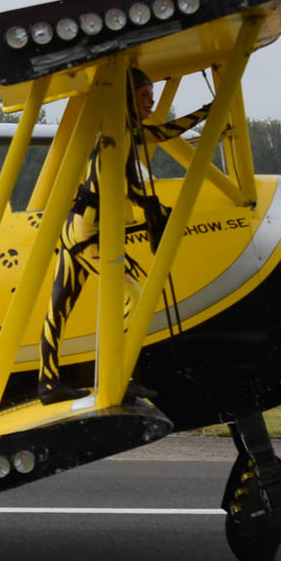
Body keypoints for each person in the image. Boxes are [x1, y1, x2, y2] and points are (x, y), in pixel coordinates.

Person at [36, 69, 209, 403]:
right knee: (135, 294)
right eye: (145, 96)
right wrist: (151, 205)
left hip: (80, 229)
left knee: (59, 307)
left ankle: (48, 383)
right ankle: (118, 376)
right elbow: (118, 185)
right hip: (87, 234)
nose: (152, 102)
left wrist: (205, 112)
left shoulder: (123, 131)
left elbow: (165, 131)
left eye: (152, 96)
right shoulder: (116, 135)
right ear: (128, 98)